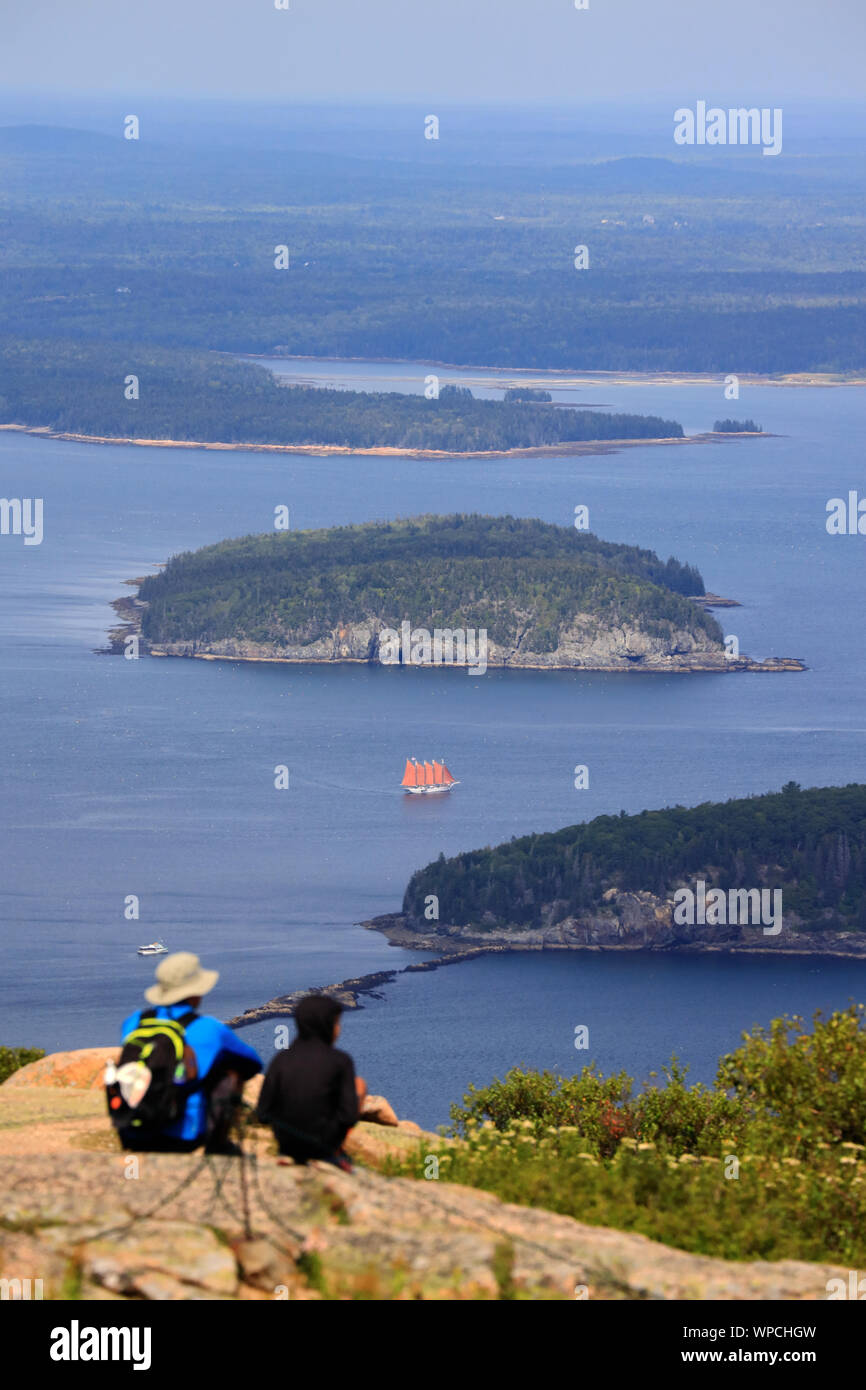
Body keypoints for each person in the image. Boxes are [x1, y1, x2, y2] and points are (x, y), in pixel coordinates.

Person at [117, 951, 262, 1154]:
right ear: (194, 994)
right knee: (229, 1073)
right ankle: (219, 1145)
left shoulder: (134, 1022)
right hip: (182, 1135)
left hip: (131, 1129)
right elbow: (253, 1063)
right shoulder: (210, 1028)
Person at [257, 994, 367, 1170]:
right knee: (359, 1084)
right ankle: (338, 1152)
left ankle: (292, 1154)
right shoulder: (341, 1061)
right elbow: (348, 1116)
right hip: (324, 1146)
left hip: (287, 1145)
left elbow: (263, 1114)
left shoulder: (281, 1059)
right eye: (337, 1023)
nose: (339, 1029)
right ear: (327, 1025)